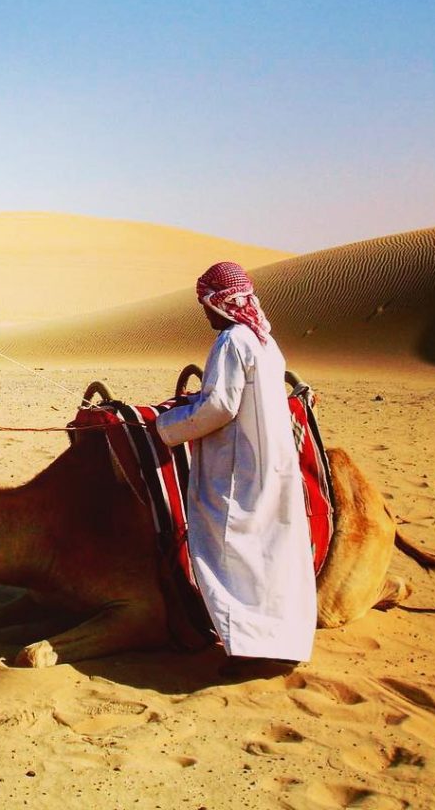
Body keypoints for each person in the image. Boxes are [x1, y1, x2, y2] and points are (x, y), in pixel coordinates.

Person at [155, 261, 316, 671]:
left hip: (239, 470)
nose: (205, 313)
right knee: (271, 553)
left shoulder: (231, 341)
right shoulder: (265, 341)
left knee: (232, 552)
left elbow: (220, 407)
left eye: (205, 303)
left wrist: (166, 426)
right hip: (272, 467)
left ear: (218, 301)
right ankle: (280, 645)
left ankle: (250, 649)